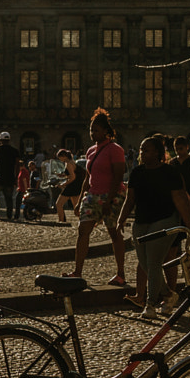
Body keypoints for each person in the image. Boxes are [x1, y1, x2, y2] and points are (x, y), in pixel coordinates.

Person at [120, 135, 190, 316]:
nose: (142, 153)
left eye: (146, 150)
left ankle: (149, 304)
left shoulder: (169, 172)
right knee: (145, 263)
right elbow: (130, 199)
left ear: (158, 152)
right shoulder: (137, 172)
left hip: (165, 220)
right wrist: (122, 218)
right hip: (142, 221)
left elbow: (181, 200)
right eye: (141, 149)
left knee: (153, 261)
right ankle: (167, 293)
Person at [67, 109, 129, 286]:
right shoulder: (90, 151)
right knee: (83, 231)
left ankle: (120, 274)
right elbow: (88, 177)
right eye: (91, 130)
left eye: (96, 130)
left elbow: (118, 176)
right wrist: (80, 200)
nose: (92, 133)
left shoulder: (115, 150)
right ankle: (77, 272)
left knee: (114, 233)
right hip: (93, 195)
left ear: (105, 131)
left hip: (113, 195)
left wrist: (109, 201)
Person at [0, 131, 23, 222]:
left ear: (1, 140)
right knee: (9, 199)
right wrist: (16, 177)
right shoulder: (15, 151)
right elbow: (17, 165)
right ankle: (9, 215)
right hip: (10, 178)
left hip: (0, 176)